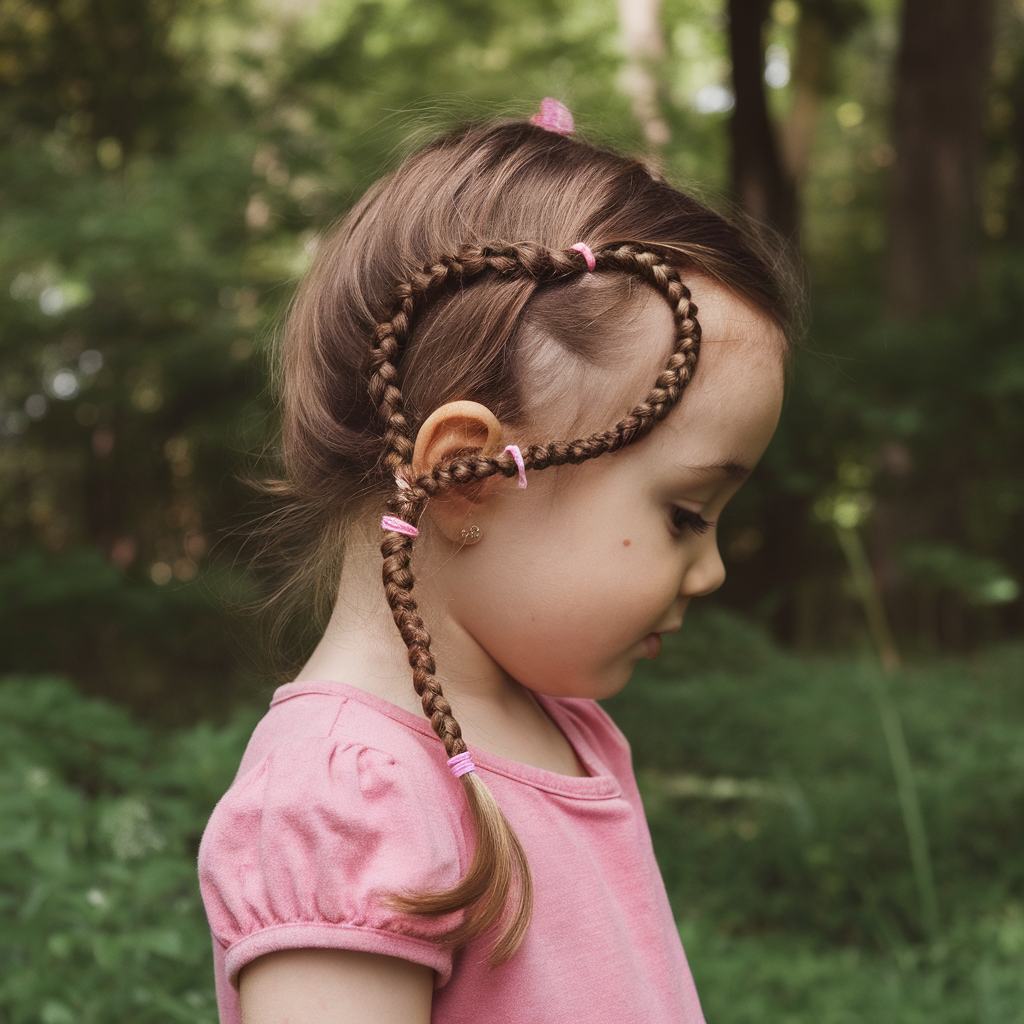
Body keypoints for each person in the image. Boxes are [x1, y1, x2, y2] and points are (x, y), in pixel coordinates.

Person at [198, 98, 797, 1024]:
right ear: (469, 476)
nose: (712, 570)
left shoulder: (569, 728)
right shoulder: (347, 798)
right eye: (685, 514)